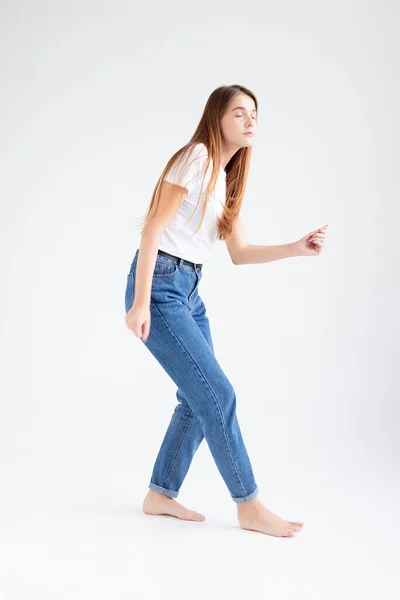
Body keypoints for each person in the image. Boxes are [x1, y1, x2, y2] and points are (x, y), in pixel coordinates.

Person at [124, 84, 328, 537]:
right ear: (217, 118)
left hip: (190, 291)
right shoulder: (195, 157)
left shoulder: (225, 178)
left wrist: (296, 247)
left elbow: (240, 252)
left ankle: (160, 493)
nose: (250, 120)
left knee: (200, 399)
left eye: (254, 113)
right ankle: (248, 504)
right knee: (219, 394)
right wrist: (140, 302)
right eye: (239, 112)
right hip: (160, 286)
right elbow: (153, 228)